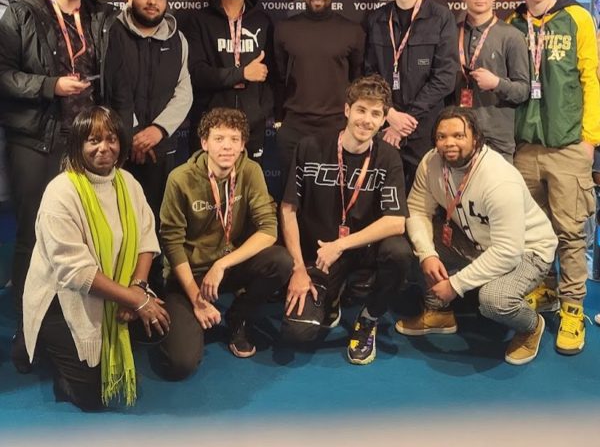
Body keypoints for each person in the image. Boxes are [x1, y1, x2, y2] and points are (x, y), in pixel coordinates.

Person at [0, 0, 117, 369]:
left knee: (90, 233)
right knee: (34, 235)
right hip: (37, 138)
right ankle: (27, 328)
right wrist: (51, 86)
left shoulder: (100, 15)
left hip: (87, 142)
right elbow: (3, 75)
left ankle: (84, 322)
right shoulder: (21, 12)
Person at [22, 106, 170, 410]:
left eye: (111, 139)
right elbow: (76, 274)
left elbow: (146, 239)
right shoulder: (60, 192)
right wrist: (134, 300)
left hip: (118, 290)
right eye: (93, 141)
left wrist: (139, 289)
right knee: (93, 398)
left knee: (161, 331)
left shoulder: (128, 183)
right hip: (62, 299)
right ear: (78, 145)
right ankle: (36, 346)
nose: (104, 148)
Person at [395, 107, 557, 366]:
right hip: (476, 241)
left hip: (527, 250)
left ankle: (530, 326)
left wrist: (455, 285)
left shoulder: (499, 179)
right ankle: (439, 312)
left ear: (476, 138)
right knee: (409, 242)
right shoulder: (431, 162)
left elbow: (507, 251)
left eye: (459, 136)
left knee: (495, 301)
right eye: (442, 136)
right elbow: (416, 209)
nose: (449, 143)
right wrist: (427, 253)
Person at [507, 0, 600, 355]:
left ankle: (573, 308)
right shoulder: (511, 23)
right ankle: (543, 289)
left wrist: (589, 139)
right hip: (525, 146)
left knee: (571, 233)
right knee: (534, 231)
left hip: (567, 147)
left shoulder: (577, 16)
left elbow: (591, 77)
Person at [280, 75, 411, 365]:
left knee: (399, 252)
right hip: (321, 255)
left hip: (361, 251)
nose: (367, 120)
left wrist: (342, 245)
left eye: (376, 114)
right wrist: (298, 268)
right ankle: (332, 297)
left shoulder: (388, 157)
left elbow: (396, 222)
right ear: (347, 110)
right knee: (298, 333)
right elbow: (288, 210)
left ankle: (369, 318)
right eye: (361, 110)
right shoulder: (310, 147)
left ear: (382, 120)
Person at [159, 107, 292, 379]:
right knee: (181, 364)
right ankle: (192, 312)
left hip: (227, 267)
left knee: (280, 261)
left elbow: (269, 229)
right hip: (189, 273)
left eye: (234, 139)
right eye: (219, 139)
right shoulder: (180, 179)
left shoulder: (250, 171)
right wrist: (196, 299)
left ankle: (238, 316)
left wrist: (222, 264)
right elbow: (171, 244)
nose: (227, 147)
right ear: (204, 143)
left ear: (244, 145)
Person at [105, 0, 192, 289]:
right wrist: (132, 136)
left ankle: (150, 286)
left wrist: (157, 130)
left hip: (160, 148)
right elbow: (113, 90)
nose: (152, 2)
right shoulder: (111, 33)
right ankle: (114, 287)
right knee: (116, 223)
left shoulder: (177, 39)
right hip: (116, 149)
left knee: (154, 221)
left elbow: (185, 92)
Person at [365, 0, 458, 190]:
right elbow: (369, 74)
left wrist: (407, 119)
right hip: (384, 125)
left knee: (424, 200)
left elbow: (445, 77)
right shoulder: (376, 19)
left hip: (424, 127)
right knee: (383, 197)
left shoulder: (441, 17)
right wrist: (390, 114)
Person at [274, 0, 364, 179]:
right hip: (294, 128)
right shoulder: (284, 29)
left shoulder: (352, 30)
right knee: (290, 196)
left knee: (334, 196)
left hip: (337, 127)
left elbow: (357, 78)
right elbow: (278, 78)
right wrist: (279, 120)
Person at [184, 0, 274, 161]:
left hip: (251, 124)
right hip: (209, 122)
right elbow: (197, 73)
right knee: (206, 189)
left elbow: (273, 75)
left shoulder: (262, 21)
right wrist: (242, 73)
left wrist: (260, 111)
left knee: (248, 188)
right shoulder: (198, 20)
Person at [453, 0, 529, 161]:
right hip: (457, 137)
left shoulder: (511, 36)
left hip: (497, 142)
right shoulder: (450, 34)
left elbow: (523, 91)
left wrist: (497, 83)